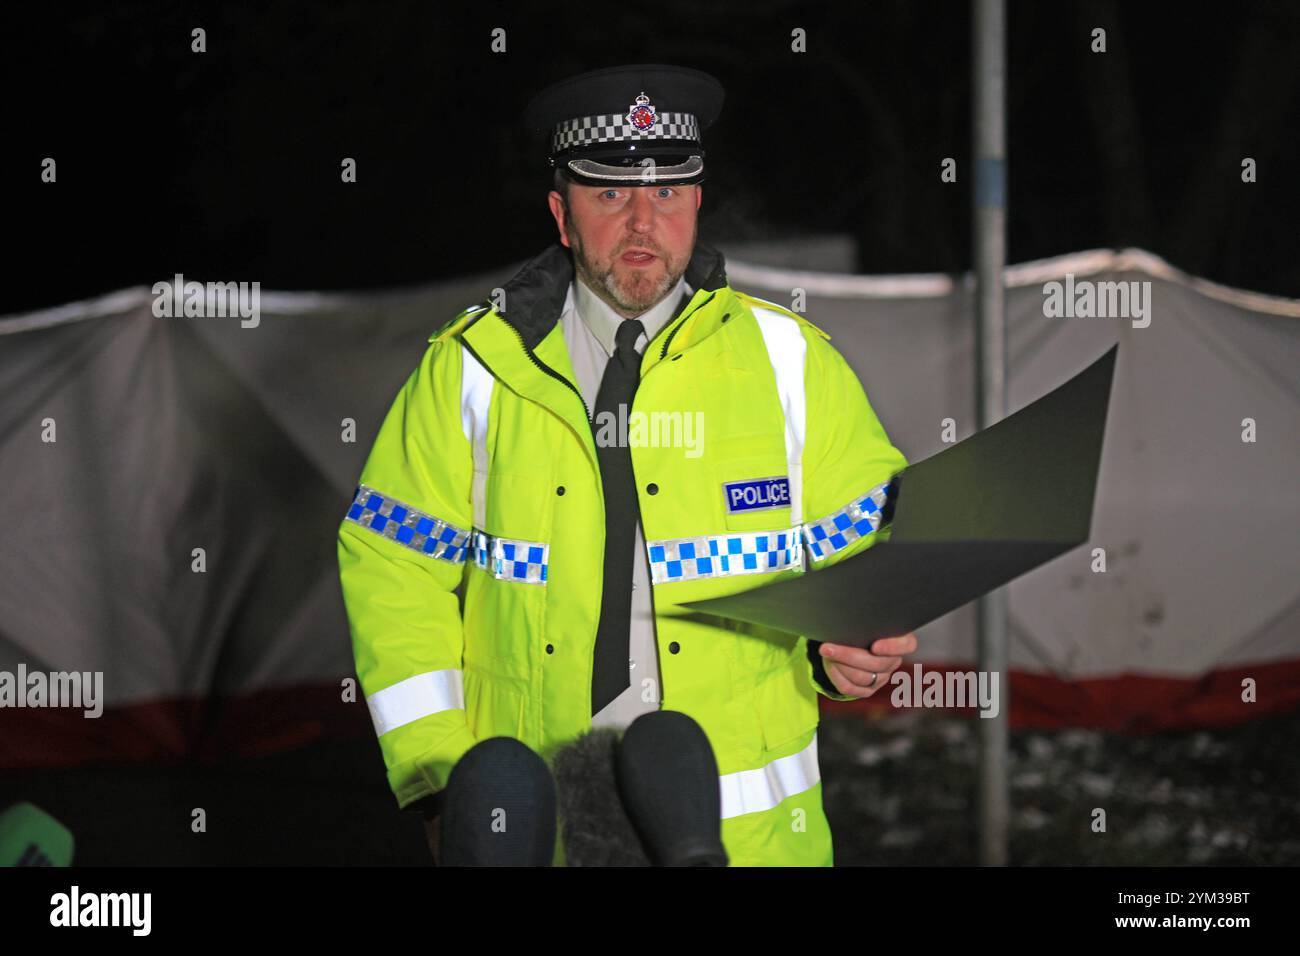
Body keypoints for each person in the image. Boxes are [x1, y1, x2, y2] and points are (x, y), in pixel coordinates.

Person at [337, 63, 918, 867]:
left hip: (743, 844)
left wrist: (845, 644)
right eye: (611, 195)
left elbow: (869, 536)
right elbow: (392, 569)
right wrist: (442, 782)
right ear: (562, 213)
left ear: (698, 202)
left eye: (669, 194)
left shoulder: (791, 362)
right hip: (536, 837)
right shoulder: (470, 368)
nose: (644, 223)